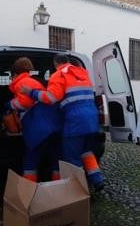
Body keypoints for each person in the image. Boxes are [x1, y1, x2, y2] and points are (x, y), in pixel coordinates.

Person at [22, 54, 105, 191]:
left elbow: (50, 98)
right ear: (68, 62)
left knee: (71, 159)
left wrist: (31, 92)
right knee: (86, 152)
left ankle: (77, 189)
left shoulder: (58, 75)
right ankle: (97, 179)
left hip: (75, 123)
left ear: (55, 64)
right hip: (92, 121)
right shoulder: (82, 73)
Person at [7, 57, 63, 182]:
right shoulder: (36, 82)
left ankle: (29, 191)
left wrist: (10, 104)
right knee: (56, 161)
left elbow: (25, 102)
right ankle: (58, 189)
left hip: (39, 130)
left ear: (15, 73)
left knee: (30, 162)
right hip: (55, 127)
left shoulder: (21, 83)